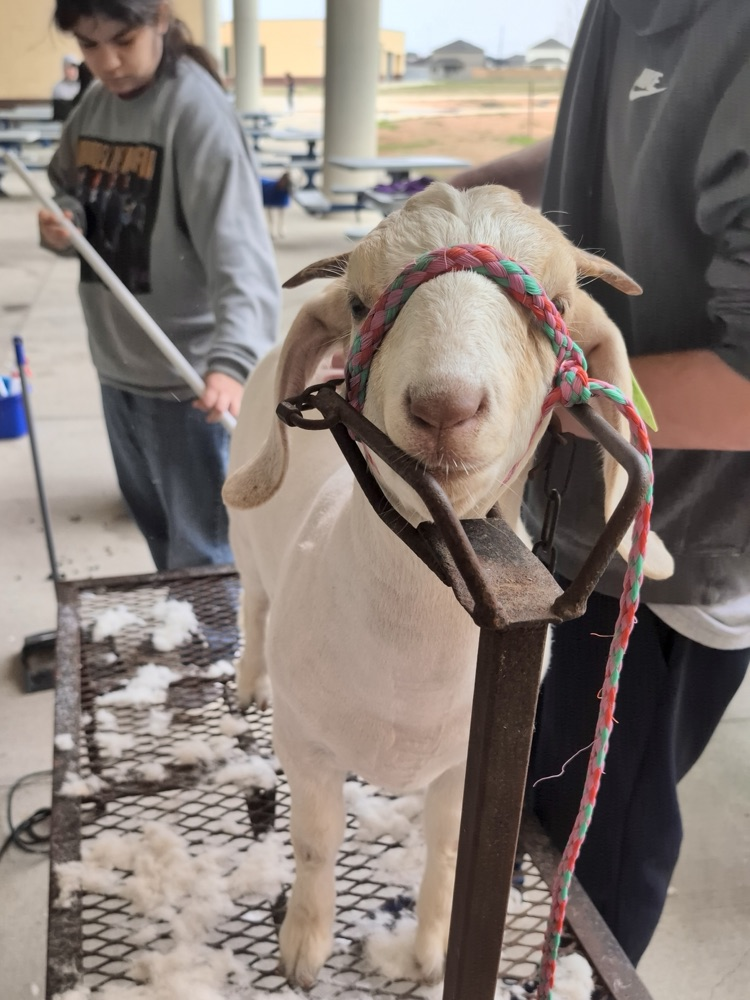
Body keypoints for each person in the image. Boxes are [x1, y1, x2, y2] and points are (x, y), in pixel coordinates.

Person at [452, 0, 750, 968]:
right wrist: (466, 195)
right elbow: (609, 146)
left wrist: (537, 391)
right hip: (577, 514)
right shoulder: (618, 13)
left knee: (595, 851)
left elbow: (744, 393)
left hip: (674, 548)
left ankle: (566, 979)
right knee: (543, 783)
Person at [39, 0, 280, 572]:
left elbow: (241, 255)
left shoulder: (196, 112)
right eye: (89, 44)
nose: (107, 62)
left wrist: (233, 362)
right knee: (157, 532)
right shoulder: (97, 102)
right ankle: (179, 620)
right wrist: (65, 218)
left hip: (189, 379)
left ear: (161, 19)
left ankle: (211, 633)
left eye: (123, 40)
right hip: (117, 363)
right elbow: (65, 184)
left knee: (204, 553)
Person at [52, 54, 81, 121]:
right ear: (64, 69)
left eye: (74, 68)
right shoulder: (58, 88)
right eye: (69, 68)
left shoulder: (83, 86)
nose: (72, 71)